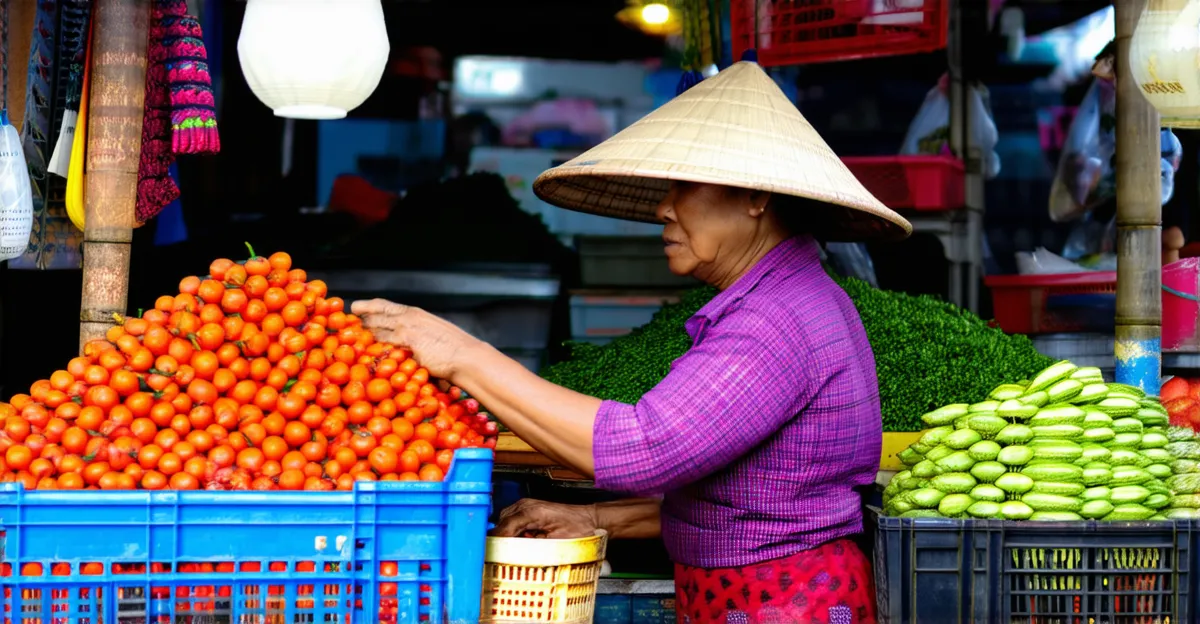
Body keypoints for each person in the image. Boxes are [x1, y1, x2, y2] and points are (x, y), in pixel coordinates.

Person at [352, 57, 912, 624]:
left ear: (755, 198)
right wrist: (599, 520)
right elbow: (747, 499)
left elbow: (647, 449)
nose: (663, 207)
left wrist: (463, 356)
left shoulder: (775, 319)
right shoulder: (783, 296)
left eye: (685, 184)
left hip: (784, 601)